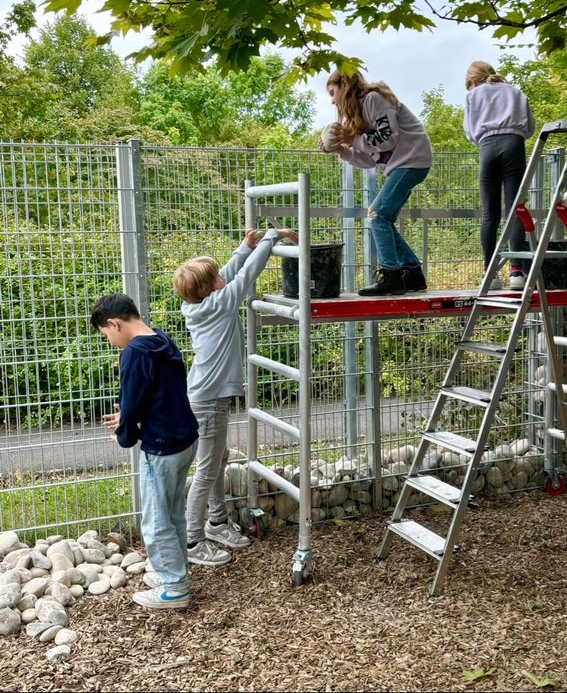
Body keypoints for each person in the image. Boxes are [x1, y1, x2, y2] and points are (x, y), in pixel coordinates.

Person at [172, 226, 298, 568]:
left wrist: (243, 246)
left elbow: (227, 274)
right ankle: (193, 541)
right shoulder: (221, 302)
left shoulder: (202, 302)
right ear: (207, 289)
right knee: (208, 470)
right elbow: (244, 276)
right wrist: (273, 238)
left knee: (216, 461)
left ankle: (216, 523)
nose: (220, 278)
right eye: (214, 278)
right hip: (209, 401)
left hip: (205, 396)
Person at [91, 293, 199, 610]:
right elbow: (158, 393)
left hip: (161, 446)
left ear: (114, 323)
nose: (111, 341)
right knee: (173, 513)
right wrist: (128, 417)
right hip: (184, 437)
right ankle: (174, 572)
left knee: (154, 521)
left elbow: (132, 399)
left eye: (107, 335)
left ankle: (175, 588)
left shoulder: (133, 353)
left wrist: (125, 432)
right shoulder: (160, 339)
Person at [319, 70, 433, 296]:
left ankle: (392, 275)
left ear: (344, 84)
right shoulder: (361, 110)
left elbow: (387, 137)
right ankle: (412, 273)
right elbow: (369, 158)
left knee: (377, 214)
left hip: (412, 161)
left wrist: (352, 139)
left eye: (332, 93)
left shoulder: (372, 99)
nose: (332, 100)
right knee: (384, 218)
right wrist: (343, 149)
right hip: (403, 165)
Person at [463, 60, 536, 290]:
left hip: (487, 147)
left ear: (472, 81)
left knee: (489, 214)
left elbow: (469, 130)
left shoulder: (473, 96)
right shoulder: (515, 92)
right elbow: (530, 126)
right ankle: (517, 272)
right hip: (514, 144)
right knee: (516, 209)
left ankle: (490, 274)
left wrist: (485, 138)